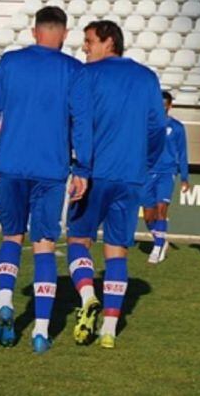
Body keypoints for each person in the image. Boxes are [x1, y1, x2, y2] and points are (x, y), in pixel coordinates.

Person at [0, 6, 82, 353]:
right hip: (51, 169)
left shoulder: (10, 62)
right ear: (64, 34)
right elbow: (81, 123)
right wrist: (81, 166)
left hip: (11, 164)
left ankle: (5, 302)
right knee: (45, 246)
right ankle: (40, 331)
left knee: (11, 236)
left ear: (34, 31)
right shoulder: (73, 69)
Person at [66, 20, 166, 349]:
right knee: (117, 251)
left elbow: (78, 123)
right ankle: (109, 328)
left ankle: (88, 295)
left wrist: (79, 164)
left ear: (109, 42)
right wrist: (145, 163)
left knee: (78, 240)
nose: (84, 47)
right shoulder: (147, 77)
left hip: (95, 173)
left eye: (89, 41)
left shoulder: (87, 75)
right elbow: (156, 129)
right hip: (131, 176)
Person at [143, 91, 189, 265]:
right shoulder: (147, 125)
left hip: (167, 172)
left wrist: (184, 177)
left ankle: (157, 247)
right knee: (148, 216)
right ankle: (161, 240)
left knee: (161, 209)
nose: (161, 108)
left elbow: (183, 153)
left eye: (164, 105)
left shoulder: (177, 127)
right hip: (148, 172)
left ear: (170, 106)